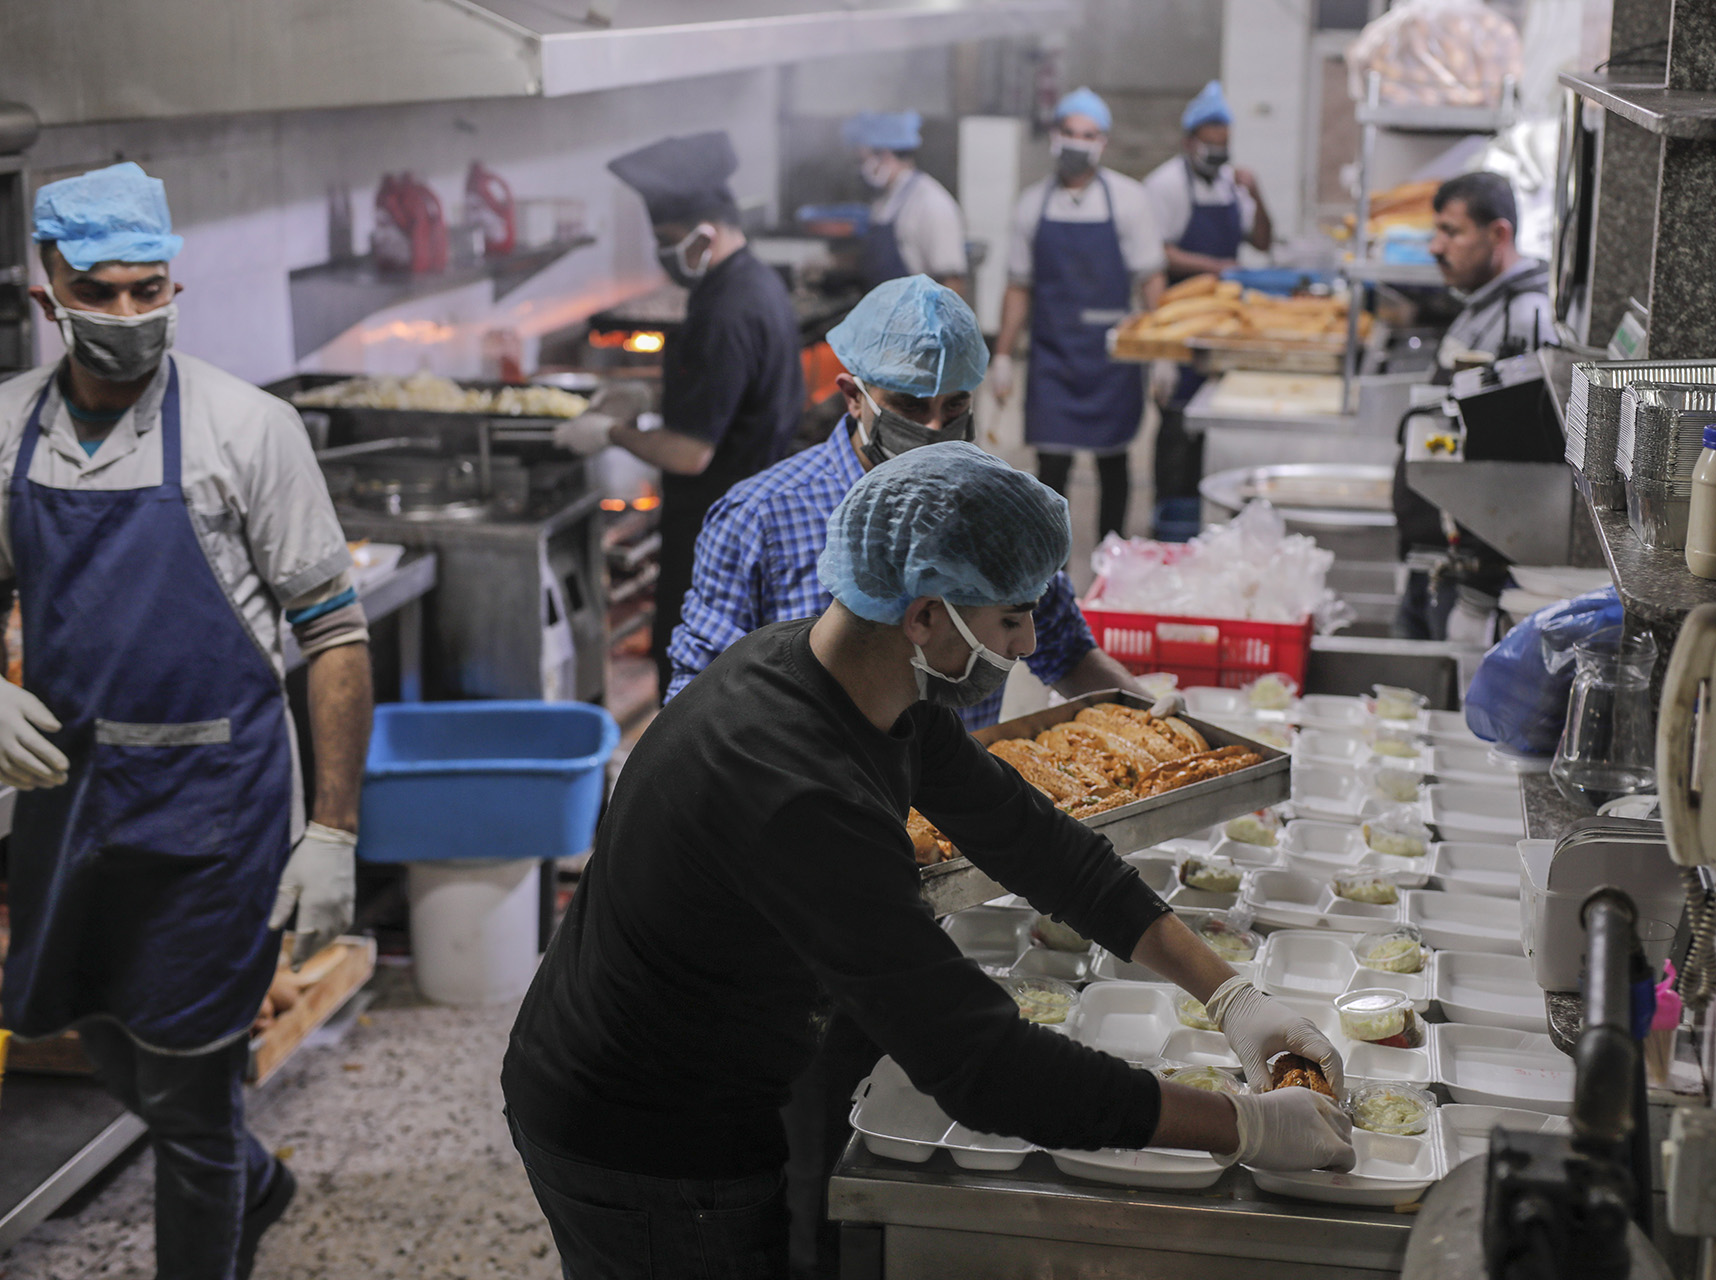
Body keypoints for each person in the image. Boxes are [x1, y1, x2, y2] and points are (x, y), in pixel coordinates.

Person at [502, 442, 1354, 1280]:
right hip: (641, 1138)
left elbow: (1040, 844)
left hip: (694, 1079)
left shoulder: (860, 686)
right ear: (924, 615)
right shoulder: (797, 790)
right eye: (1011, 618)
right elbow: (985, 1069)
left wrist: (1232, 995)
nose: (1025, 648)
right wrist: (1241, 1126)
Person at [0, 162, 374, 1279]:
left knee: (193, 1095)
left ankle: (224, 1200)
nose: (128, 315)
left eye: (149, 290)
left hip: (215, 809)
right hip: (70, 801)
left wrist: (335, 830)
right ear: (46, 292)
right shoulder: (8, 429)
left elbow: (335, 636)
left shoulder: (245, 429)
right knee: (100, 1034)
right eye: (101, 293)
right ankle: (255, 1176)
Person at [669, 274, 1161, 734]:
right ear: (853, 397)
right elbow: (700, 696)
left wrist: (1155, 721)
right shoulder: (761, 518)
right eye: (909, 405)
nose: (932, 430)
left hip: (957, 806)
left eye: (954, 407)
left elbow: (1065, 651)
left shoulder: (997, 510)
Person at [560, 132, 804, 695]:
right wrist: (649, 397)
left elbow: (689, 453)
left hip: (712, 533)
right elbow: (729, 391)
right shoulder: (756, 282)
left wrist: (610, 432)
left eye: (669, 242)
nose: (665, 256)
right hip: (754, 515)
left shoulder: (725, 310)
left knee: (697, 686)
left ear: (706, 232)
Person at [990, 87, 1167, 540]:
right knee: (1051, 469)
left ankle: (1112, 556)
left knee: (1113, 463)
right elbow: (1018, 286)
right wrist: (1004, 355)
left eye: (1088, 135)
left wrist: (1164, 349)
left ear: (1102, 143)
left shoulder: (1129, 200)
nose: (1077, 142)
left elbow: (1151, 279)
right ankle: (1052, 575)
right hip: (1053, 358)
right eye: (1069, 132)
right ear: (1054, 135)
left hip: (1113, 359)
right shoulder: (1032, 205)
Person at [1392, 171, 1556, 642]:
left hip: (1468, 573)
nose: (1435, 247)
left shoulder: (1525, 317)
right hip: (1433, 555)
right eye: (1436, 231)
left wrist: (1480, 593)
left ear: (1498, 234)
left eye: (1452, 232)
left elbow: (1518, 457)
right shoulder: (1482, 302)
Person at [1142, 80, 1274, 537]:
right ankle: (1170, 518)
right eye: (1210, 145)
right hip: (1181, 325)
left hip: (1222, 327)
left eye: (1224, 146)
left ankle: (1206, 516)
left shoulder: (1229, 185)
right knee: (1177, 426)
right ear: (1189, 143)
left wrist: (1257, 194)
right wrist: (1215, 267)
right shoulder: (1164, 185)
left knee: (1213, 426)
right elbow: (1155, 252)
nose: (1218, 154)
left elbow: (1262, 241)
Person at [841, 110, 970, 296]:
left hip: (916, 321)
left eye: (864, 159)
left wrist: (935, 325)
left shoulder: (930, 202)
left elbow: (952, 281)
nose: (862, 168)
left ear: (884, 155)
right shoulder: (884, 201)